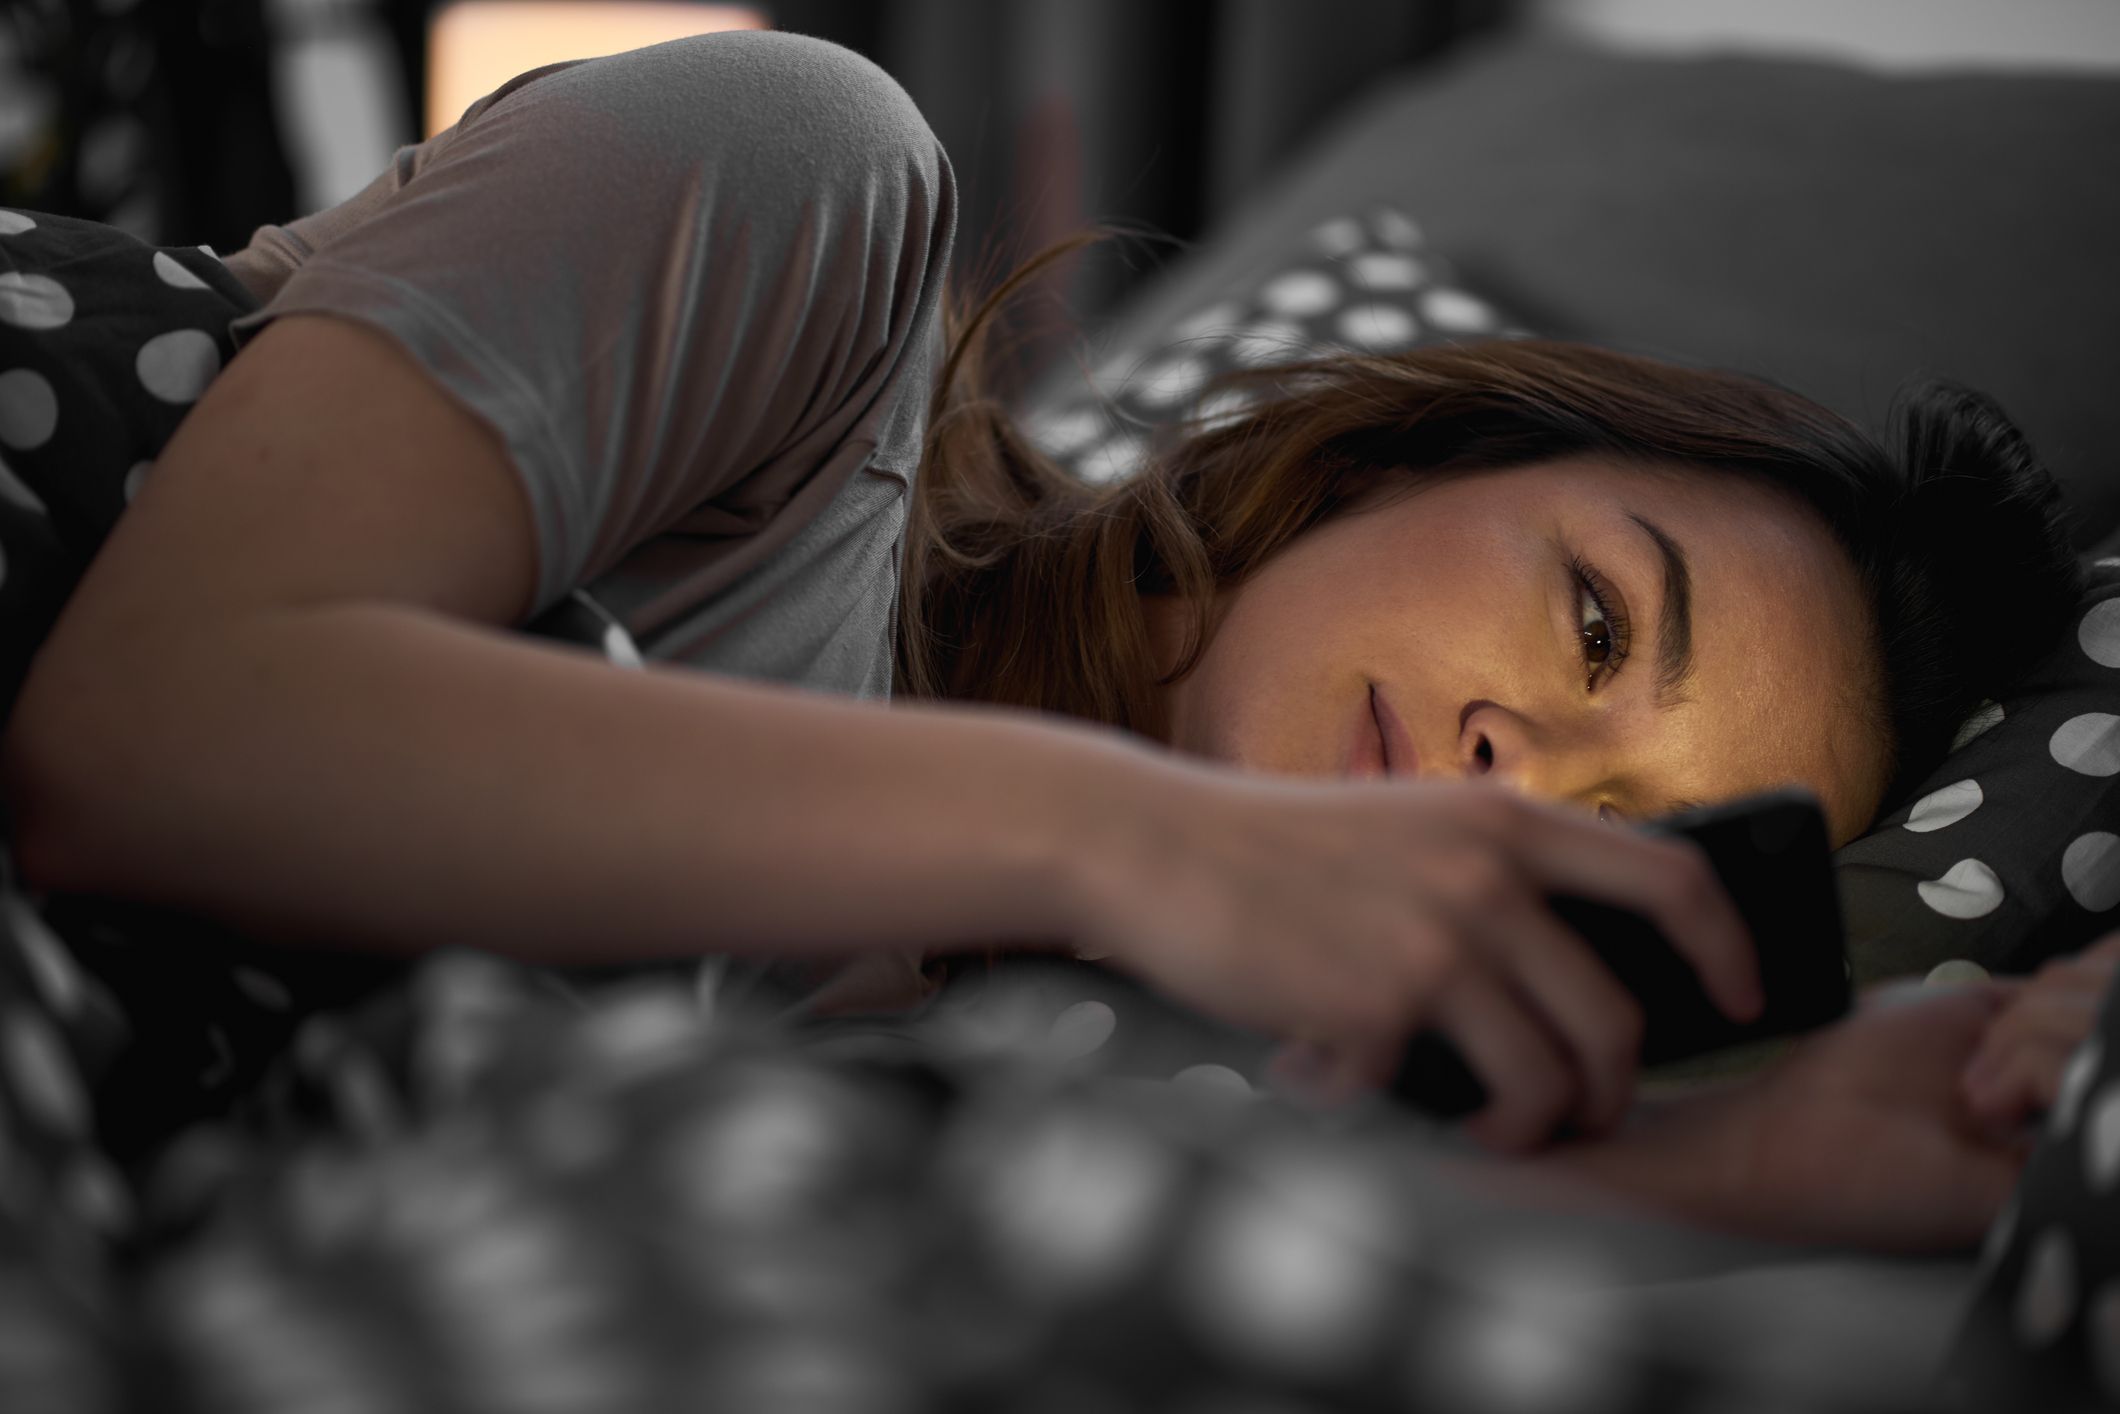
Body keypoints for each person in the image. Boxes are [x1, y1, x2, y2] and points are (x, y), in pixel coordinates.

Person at [0, 31, 2090, 1219]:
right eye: (1597, 626)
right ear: (1386, 464)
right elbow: (153, 734)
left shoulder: (982, 1076)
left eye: (1626, 820)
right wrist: (1130, 827)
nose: (1516, 768)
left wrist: (1749, 1152)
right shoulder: (806, 205)